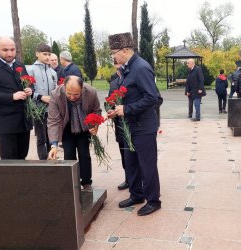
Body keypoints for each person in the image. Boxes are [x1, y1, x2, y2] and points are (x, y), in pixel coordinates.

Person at [107, 32, 161, 216]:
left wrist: (127, 109)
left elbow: (153, 97)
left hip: (143, 127)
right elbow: (129, 94)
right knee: (131, 164)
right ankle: (136, 194)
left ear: (125, 50)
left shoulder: (141, 67)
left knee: (147, 165)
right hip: (130, 126)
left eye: (113, 52)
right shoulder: (126, 67)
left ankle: (153, 200)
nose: (112, 56)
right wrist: (117, 109)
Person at [0, 36, 33, 159]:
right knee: (9, 159)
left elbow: (29, 83)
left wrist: (30, 90)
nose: (10, 53)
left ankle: (21, 178)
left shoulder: (19, 64)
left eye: (13, 50)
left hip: (23, 120)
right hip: (5, 122)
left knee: (22, 155)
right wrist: (11, 96)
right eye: (5, 50)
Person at [47, 76, 101, 190]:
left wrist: (94, 126)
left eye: (76, 94)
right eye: (69, 93)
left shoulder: (91, 92)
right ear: (64, 88)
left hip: (84, 126)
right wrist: (54, 145)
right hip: (66, 126)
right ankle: (71, 181)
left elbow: (97, 111)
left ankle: (86, 182)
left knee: (84, 153)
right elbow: (53, 120)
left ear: (82, 89)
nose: (72, 97)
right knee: (69, 154)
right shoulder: (55, 95)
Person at [27, 43, 57, 160]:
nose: (47, 57)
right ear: (37, 54)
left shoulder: (52, 72)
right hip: (38, 109)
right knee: (41, 138)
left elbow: (55, 90)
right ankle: (43, 161)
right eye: (44, 54)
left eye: (49, 54)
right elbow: (27, 90)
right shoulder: (30, 70)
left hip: (52, 110)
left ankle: (52, 158)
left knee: (52, 137)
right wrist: (40, 97)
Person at [108, 65, 129, 190]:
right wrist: (110, 109)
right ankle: (128, 178)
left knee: (134, 153)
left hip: (133, 123)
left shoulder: (133, 79)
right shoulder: (114, 83)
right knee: (123, 152)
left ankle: (139, 179)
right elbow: (109, 101)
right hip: (120, 124)